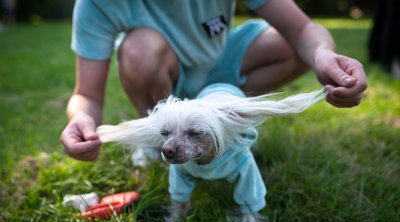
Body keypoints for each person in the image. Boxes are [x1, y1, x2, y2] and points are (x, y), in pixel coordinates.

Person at [60, 0, 367, 163]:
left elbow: (302, 30)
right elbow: (87, 94)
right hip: (165, 78)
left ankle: (220, 121)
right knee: (139, 50)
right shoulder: (95, 3)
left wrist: (324, 55)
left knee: (295, 46)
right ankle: (163, 135)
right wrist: (82, 118)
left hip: (221, 62)